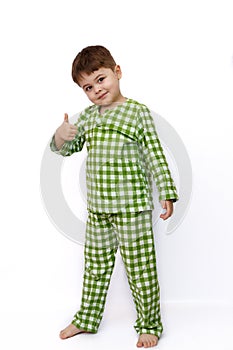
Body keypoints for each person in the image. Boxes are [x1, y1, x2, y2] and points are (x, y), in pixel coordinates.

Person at [50, 45, 178, 348]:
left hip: (132, 209)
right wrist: (60, 135)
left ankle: (149, 324)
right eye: (88, 87)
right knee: (94, 267)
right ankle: (87, 319)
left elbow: (154, 154)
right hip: (98, 211)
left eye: (101, 79)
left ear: (117, 72)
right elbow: (67, 149)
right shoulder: (88, 119)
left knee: (141, 269)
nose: (97, 90)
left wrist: (167, 192)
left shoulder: (137, 112)